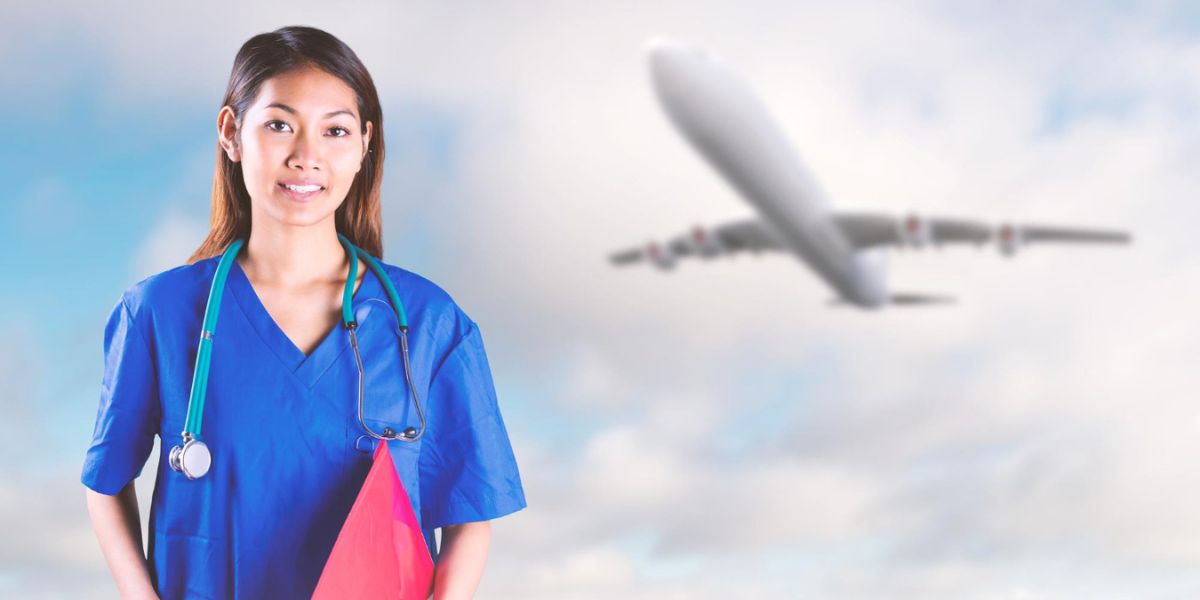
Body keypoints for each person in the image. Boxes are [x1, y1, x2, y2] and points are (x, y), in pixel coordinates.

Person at [80, 25, 526, 599]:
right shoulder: (158, 314)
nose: (306, 156)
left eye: (335, 130)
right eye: (279, 125)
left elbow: (469, 513)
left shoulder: (431, 324)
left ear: (365, 144)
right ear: (231, 132)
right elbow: (105, 483)